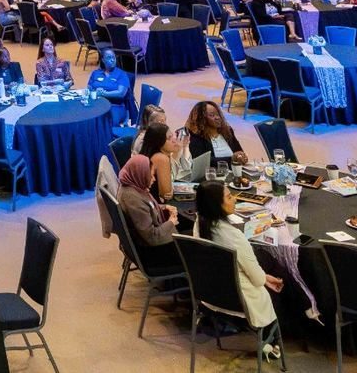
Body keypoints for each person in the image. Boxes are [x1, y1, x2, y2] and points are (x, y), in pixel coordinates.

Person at [197, 180, 282, 357]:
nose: (234, 199)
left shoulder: (199, 224)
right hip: (238, 298)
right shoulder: (233, 236)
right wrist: (265, 278)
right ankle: (272, 340)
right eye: (228, 197)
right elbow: (257, 280)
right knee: (275, 267)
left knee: (262, 263)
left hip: (208, 292)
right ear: (216, 205)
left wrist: (264, 276)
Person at [116, 152, 179, 246]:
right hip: (155, 249)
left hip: (151, 238)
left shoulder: (132, 187)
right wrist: (171, 222)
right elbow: (152, 236)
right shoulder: (133, 200)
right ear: (140, 174)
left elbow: (147, 207)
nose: (154, 179)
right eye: (151, 176)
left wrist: (164, 206)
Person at [184, 101, 248, 165]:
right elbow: (202, 162)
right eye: (212, 115)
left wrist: (241, 156)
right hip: (212, 173)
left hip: (234, 171)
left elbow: (238, 151)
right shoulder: (196, 136)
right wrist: (231, 159)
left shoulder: (228, 131)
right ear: (201, 118)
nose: (217, 117)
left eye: (218, 114)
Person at [139, 124, 186, 201]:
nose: (174, 140)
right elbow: (166, 194)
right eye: (169, 138)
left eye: (172, 135)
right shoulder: (161, 158)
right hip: (154, 205)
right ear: (159, 143)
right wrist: (171, 189)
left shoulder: (156, 154)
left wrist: (177, 152)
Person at [87, 48, 132, 123]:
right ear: (103, 60)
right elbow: (89, 89)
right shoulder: (95, 73)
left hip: (115, 106)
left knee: (107, 122)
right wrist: (95, 91)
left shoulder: (121, 74)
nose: (112, 60)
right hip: (97, 104)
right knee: (88, 120)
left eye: (113, 57)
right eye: (109, 58)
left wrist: (103, 94)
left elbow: (121, 93)